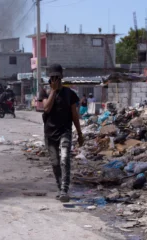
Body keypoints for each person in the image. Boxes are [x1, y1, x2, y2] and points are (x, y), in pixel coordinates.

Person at [40, 64, 84, 202]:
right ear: (49, 78)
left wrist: (80, 133)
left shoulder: (69, 94)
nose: (55, 80)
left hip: (65, 131)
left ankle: (65, 190)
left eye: (57, 77)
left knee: (65, 159)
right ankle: (60, 188)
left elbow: (74, 115)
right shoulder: (45, 93)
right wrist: (53, 91)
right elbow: (46, 108)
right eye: (52, 77)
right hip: (50, 133)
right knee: (55, 162)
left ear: (61, 77)